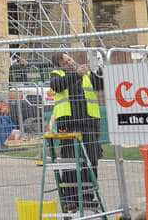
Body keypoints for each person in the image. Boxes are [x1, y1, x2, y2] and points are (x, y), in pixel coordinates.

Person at [49, 53, 105, 214]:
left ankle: (87, 196)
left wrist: (98, 68)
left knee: (92, 159)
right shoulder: (57, 75)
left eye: (69, 59)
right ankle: (72, 199)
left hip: (89, 124)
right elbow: (57, 86)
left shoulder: (86, 75)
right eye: (65, 61)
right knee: (70, 161)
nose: (69, 62)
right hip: (69, 124)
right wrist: (76, 74)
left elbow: (100, 84)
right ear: (59, 65)